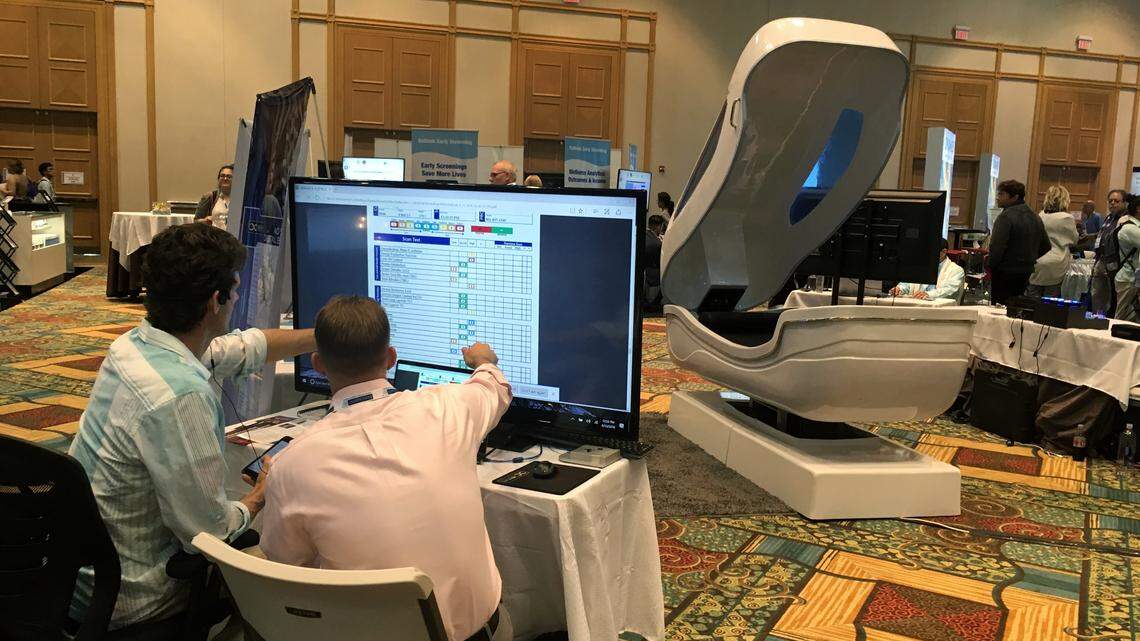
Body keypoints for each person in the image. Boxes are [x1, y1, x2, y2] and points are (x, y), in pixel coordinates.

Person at [67, 223, 316, 635]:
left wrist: (319, 337)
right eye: (234, 291)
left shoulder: (132, 346)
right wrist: (256, 498)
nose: (236, 300)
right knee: (275, 561)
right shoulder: (180, 396)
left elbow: (239, 347)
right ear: (216, 300)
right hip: (133, 599)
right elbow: (208, 532)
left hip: (77, 574)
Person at [260, 296, 513, 641]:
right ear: (391, 358)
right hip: (482, 634)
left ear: (317, 364)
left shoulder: (291, 466)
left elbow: (286, 568)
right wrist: (483, 359)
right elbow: (493, 384)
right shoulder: (451, 407)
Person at [988, 179, 1050, 305]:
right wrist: (1029, 259)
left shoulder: (1005, 217)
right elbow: (1046, 246)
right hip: (1026, 271)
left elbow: (997, 247)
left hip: (1004, 272)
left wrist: (991, 265)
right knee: (1017, 309)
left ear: (1014, 197)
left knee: (999, 310)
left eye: (1002, 194)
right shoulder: (1035, 216)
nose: (997, 198)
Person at [1027, 185, 1079, 298]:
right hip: (1056, 265)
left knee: (1032, 302)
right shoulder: (1067, 218)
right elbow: (1074, 240)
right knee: (1050, 305)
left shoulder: (1040, 215)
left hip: (1038, 262)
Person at [1091, 189, 1129, 314]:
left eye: (1116, 201)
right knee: (1096, 295)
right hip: (1100, 260)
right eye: (1110, 201)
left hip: (1115, 264)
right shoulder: (1108, 218)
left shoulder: (1126, 220)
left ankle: (1107, 323)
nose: (1112, 203)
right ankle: (1096, 320)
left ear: (1125, 203)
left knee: (1111, 298)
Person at [890, 238, 965, 302]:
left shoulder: (956, 270)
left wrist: (928, 294)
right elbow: (907, 283)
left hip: (941, 311)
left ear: (944, 252)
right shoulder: (921, 265)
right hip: (917, 306)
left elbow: (949, 290)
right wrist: (899, 289)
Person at [1113, 194, 1140, 321]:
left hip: (1131, 278)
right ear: (1138, 209)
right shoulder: (1130, 228)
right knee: (1121, 316)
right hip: (1127, 278)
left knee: (1130, 317)